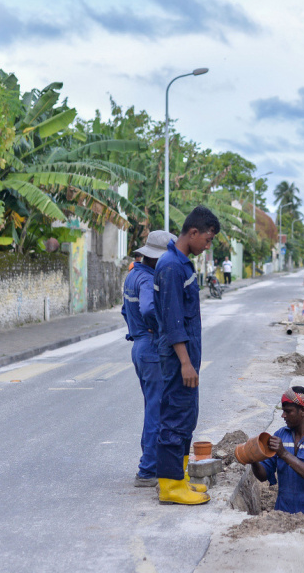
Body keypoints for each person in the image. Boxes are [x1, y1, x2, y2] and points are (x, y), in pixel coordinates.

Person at [153, 205, 220, 505]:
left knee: (186, 417)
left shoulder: (181, 263)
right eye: (207, 239)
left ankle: (179, 480)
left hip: (187, 359)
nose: (207, 246)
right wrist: (185, 362)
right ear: (193, 232)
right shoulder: (171, 266)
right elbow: (172, 321)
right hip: (179, 360)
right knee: (175, 418)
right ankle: (169, 486)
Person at [122, 231, 177, 488]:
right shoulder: (146, 279)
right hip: (151, 346)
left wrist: (137, 331)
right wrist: (159, 327)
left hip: (139, 345)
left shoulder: (132, 275)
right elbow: (147, 308)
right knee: (157, 410)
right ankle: (147, 470)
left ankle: (150, 463)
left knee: (152, 407)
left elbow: (126, 310)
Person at [251, 386, 304, 514]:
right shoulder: (281, 435)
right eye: (283, 411)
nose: (283, 415)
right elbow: (263, 475)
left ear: (303, 411)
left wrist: (284, 454)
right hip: (283, 515)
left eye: (288, 411)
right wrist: (253, 459)